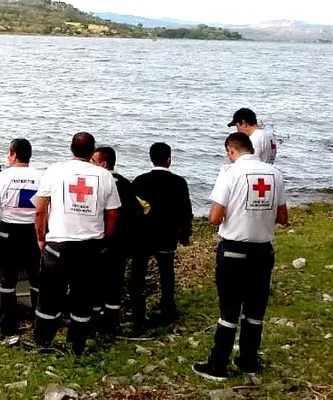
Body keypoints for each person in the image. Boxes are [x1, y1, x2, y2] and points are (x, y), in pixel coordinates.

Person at [193, 132, 288, 381]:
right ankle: (248, 360)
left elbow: (214, 217)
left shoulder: (230, 173)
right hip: (263, 251)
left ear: (231, 151)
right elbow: (283, 217)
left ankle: (218, 365)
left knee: (229, 311)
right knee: (255, 311)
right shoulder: (274, 174)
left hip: (234, 251)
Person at [33, 132, 121, 354]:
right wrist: (105, 240)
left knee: (49, 298)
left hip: (58, 245)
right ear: (92, 153)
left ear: (70, 149)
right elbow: (112, 214)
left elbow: (40, 208)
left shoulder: (54, 171)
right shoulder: (105, 176)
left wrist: (41, 237)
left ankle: (43, 342)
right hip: (90, 247)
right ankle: (76, 345)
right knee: (83, 299)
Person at [0, 138, 42, 336]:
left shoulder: (3, 177)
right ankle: (39, 322)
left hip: (9, 232)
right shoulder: (42, 177)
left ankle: (8, 326)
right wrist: (43, 235)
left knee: (7, 282)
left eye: (9, 153)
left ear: (13, 154)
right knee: (36, 280)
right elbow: (46, 210)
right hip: (33, 232)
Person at [131, 142, 193, 333]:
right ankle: (168, 310)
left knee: (137, 276)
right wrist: (185, 234)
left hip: (143, 235)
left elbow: (133, 210)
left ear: (150, 158)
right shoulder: (179, 182)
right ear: (169, 159)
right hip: (167, 234)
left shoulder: (140, 181)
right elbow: (185, 211)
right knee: (166, 273)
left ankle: (138, 316)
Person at [90, 146, 144, 336]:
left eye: (93, 162)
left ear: (104, 164)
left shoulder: (99, 183)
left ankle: (94, 322)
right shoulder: (125, 183)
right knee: (114, 284)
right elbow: (138, 211)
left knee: (95, 283)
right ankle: (111, 324)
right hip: (121, 242)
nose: (90, 165)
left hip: (100, 239)